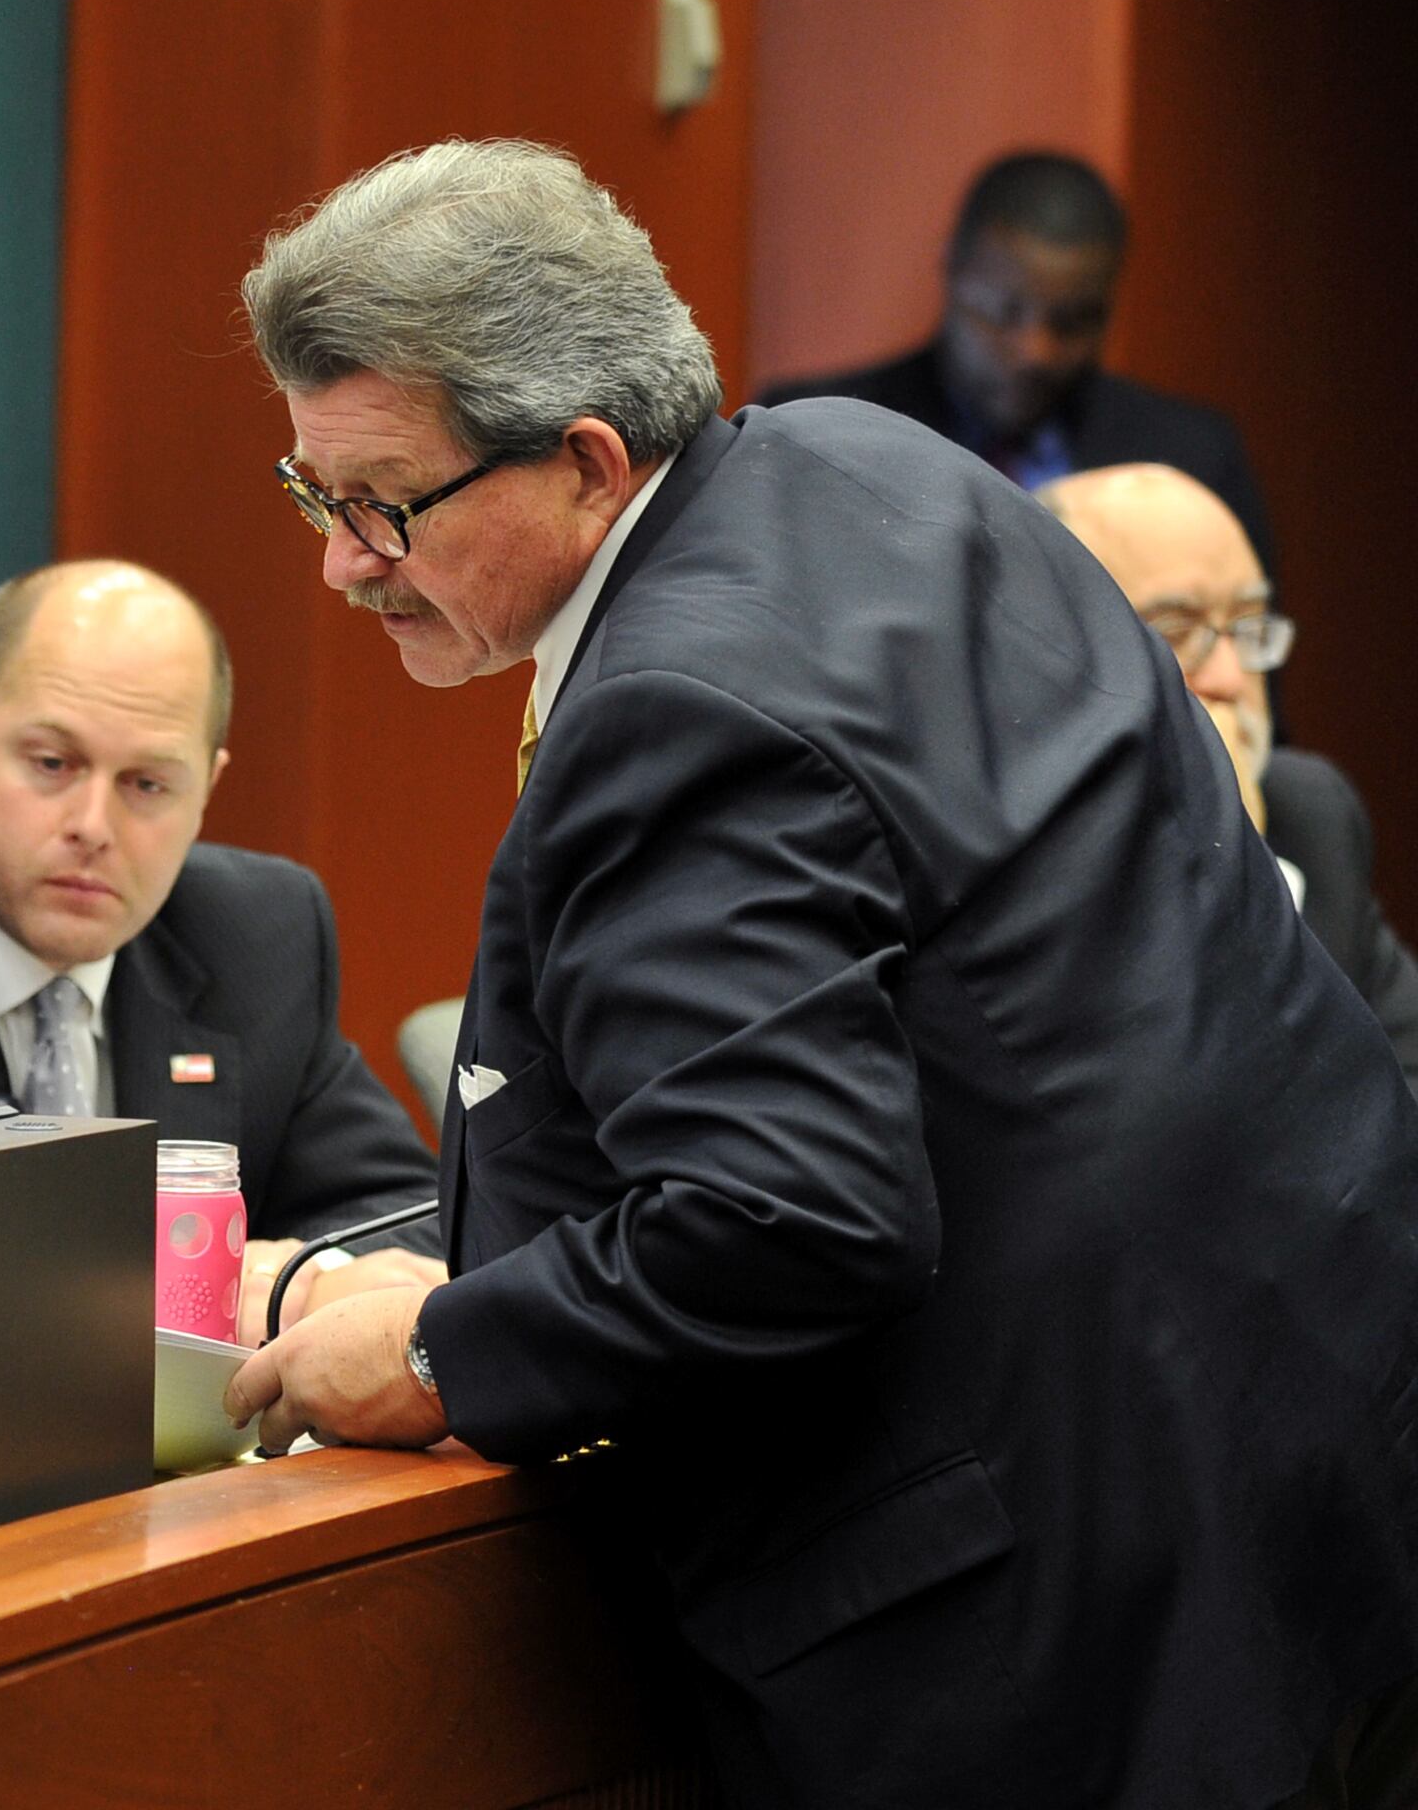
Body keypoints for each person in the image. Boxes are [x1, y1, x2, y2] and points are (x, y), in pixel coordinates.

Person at [222, 139, 1418, 1807]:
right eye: (312, 496)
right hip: (1299, 1443)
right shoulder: (871, 467)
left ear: (581, 460)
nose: (341, 564)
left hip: (1043, 1613)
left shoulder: (677, 703)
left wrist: (443, 1350)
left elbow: (790, 1218)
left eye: (377, 506)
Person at [0, 561, 439, 1337]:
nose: (92, 825)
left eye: (147, 784)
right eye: (53, 764)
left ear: (208, 788)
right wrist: (248, 1293)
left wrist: (304, 1276)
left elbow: (413, 1213)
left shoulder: (259, 930)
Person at [1039, 463, 1418, 1078]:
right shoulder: (1008, 874)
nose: (1231, 678)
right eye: (1178, 632)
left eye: (1248, 626)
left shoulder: (1310, 815)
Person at [756, 150, 1274, 569]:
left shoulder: (1186, 459)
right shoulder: (816, 435)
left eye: (1072, 322)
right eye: (1004, 314)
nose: (1035, 352)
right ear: (953, 274)